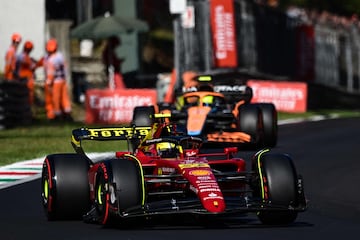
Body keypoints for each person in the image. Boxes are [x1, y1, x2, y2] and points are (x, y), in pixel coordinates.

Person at [43, 38, 72, 121]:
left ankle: (57, 115)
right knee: (65, 98)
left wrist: (48, 82)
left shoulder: (52, 59)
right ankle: (67, 113)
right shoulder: (60, 56)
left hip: (55, 81)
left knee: (56, 99)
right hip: (62, 79)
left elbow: (51, 73)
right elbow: (65, 68)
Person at [16, 40, 40, 106]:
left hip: (20, 79)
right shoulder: (26, 58)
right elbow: (31, 67)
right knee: (28, 97)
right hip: (27, 80)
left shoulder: (19, 56)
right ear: (30, 49)